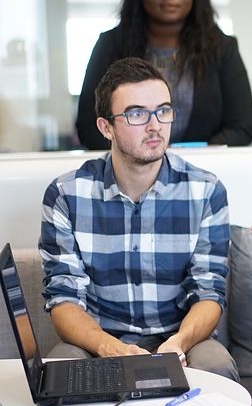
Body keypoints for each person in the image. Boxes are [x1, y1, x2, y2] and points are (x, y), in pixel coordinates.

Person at [41, 58, 238, 381]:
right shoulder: (66, 194)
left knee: (215, 367)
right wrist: (110, 347)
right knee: (58, 371)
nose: (155, 125)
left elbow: (209, 293)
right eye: (136, 113)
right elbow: (63, 299)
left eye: (163, 110)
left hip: (180, 338)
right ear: (106, 127)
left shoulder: (206, 191)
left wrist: (178, 343)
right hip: (98, 340)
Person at [76, 0, 252, 149]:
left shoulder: (222, 48)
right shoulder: (111, 46)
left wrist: (190, 162)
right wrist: (142, 158)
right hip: (130, 175)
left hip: (204, 173)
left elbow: (241, 127)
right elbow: (89, 128)